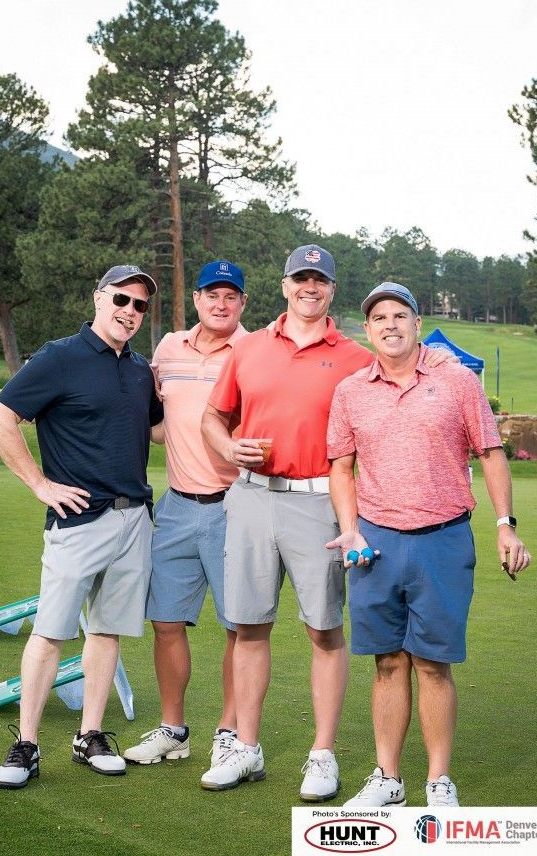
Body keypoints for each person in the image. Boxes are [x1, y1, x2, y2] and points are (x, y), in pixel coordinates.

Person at [326, 281, 532, 808]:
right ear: (367, 330)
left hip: (443, 540)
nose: (390, 324)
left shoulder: (458, 381)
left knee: (433, 664)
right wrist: (349, 526)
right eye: (379, 318)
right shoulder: (351, 390)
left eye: (400, 315)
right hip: (376, 544)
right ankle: (387, 779)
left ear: (417, 324)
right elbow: (341, 467)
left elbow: (490, 453)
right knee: (388, 662)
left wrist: (505, 523)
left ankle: (438, 780)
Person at [200, 245, 395, 801]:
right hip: (253, 498)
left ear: (331, 290)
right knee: (248, 625)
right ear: (284, 285)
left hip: (320, 503)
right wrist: (231, 448)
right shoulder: (250, 348)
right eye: (300, 278)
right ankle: (246, 746)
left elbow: (400, 377)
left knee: (324, 630)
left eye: (321, 280)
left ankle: (322, 755)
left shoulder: (357, 357)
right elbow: (214, 416)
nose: (310, 287)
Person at [0, 265, 163, 789]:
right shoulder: (60, 357)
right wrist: (40, 485)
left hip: (135, 520)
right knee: (51, 632)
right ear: (99, 298)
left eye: (140, 306)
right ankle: (27, 744)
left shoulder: (137, 369)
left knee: (106, 631)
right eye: (122, 300)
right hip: (78, 520)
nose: (130, 312)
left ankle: (89, 736)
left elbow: (155, 431)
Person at [123, 260, 248, 770]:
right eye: (211, 294)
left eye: (231, 296)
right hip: (175, 507)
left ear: (243, 304)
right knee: (166, 622)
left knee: (241, 628)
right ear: (195, 299)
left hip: (236, 507)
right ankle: (174, 729)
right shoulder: (168, 348)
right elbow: (158, 423)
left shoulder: (256, 351)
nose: (220, 304)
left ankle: (230, 731)